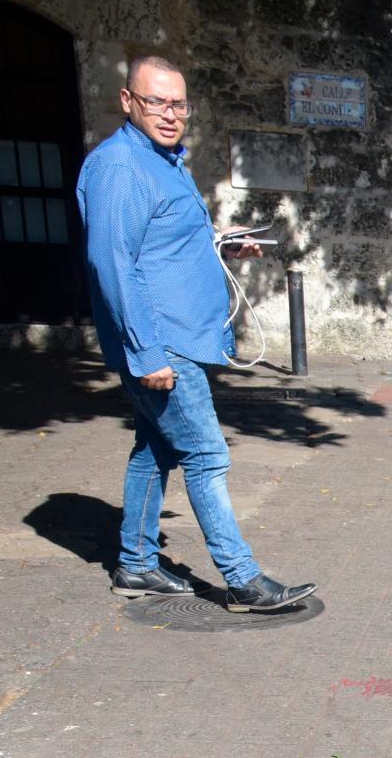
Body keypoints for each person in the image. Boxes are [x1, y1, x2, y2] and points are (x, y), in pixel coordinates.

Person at [76, 56, 315, 611]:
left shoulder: (163, 161)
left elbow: (161, 244)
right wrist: (146, 353)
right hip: (163, 344)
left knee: (155, 449)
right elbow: (113, 264)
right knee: (207, 455)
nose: (170, 114)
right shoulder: (120, 167)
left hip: (176, 338)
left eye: (178, 104)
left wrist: (221, 243)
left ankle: (136, 564)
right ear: (127, 101)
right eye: (155, 101)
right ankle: (243, 579)